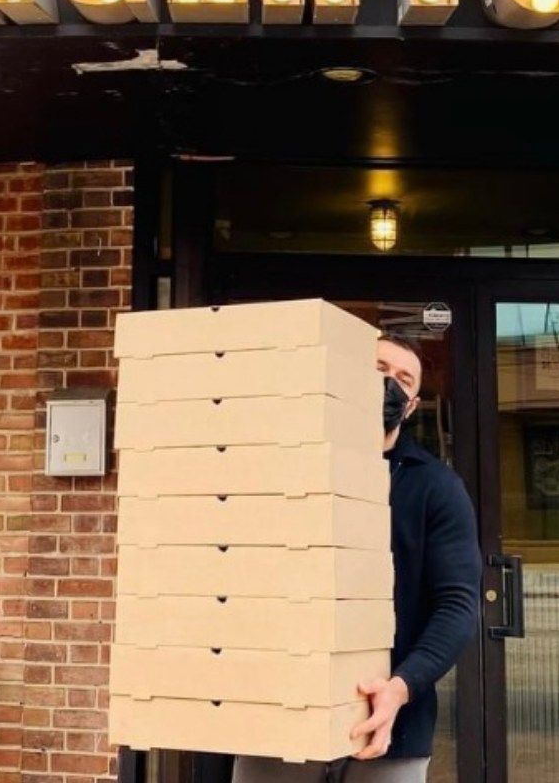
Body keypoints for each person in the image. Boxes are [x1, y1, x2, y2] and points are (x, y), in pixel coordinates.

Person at [232, 333, 482, 783]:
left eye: (404, 379)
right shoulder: (292, 470)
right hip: (283, 722)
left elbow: (458, 605)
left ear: (411, 405)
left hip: (390, 735)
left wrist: (400, 688)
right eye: (379, 370)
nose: (390, 384)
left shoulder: (437, 488)